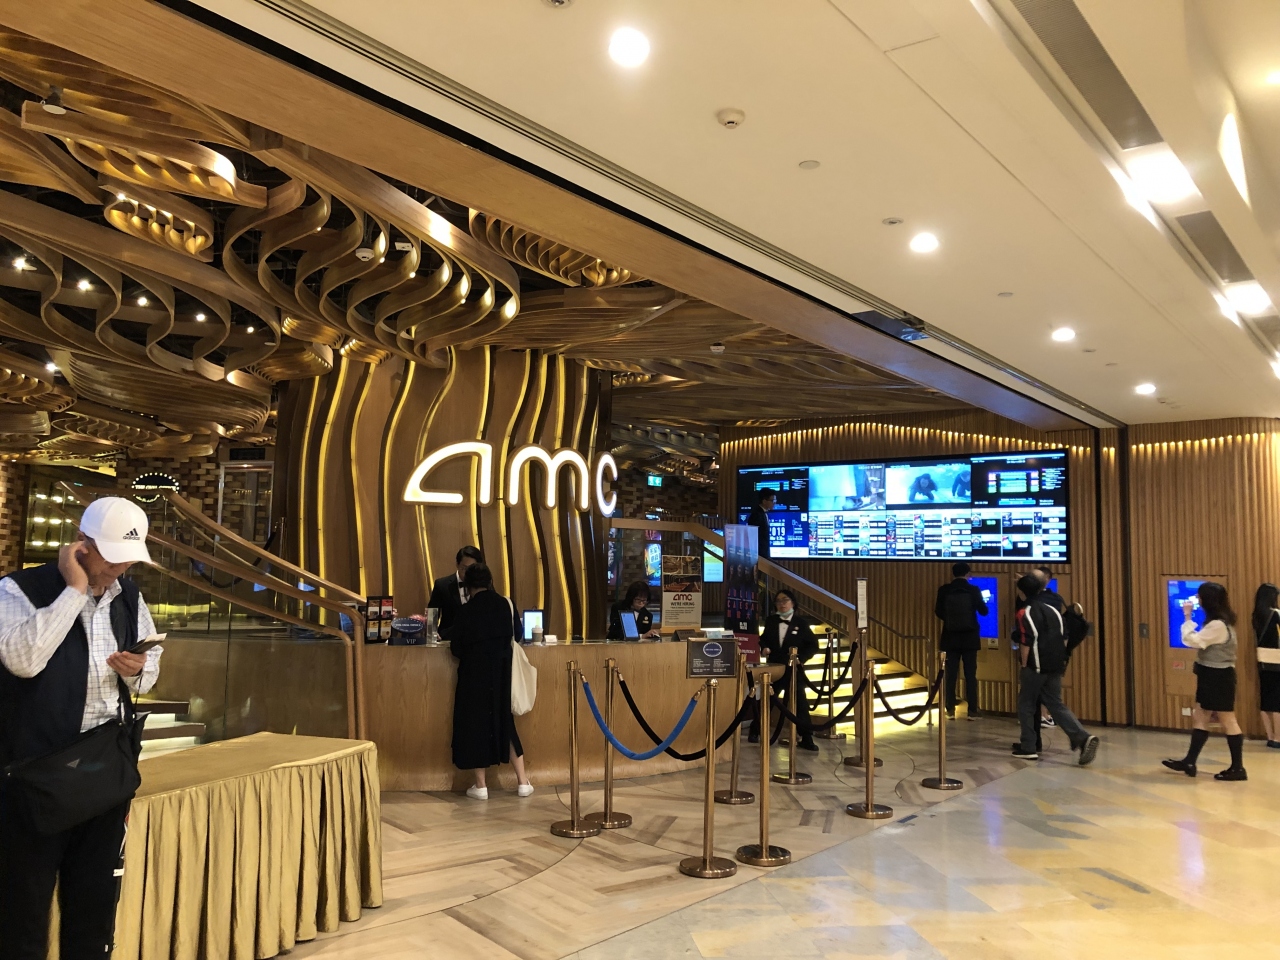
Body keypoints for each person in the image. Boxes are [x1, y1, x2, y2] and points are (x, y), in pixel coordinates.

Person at [0, 496, 162, 959]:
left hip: (102, 769)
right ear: (81, 543)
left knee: (94, 908)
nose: (119, 568)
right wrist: (73, 591)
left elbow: (151, 669)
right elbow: (23, 661)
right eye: (110, 556)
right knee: (22, 911)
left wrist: (138, 669)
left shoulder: (127, 595)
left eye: (128, 558)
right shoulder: (17, 590)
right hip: (35, 774)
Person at [443, 562, 533, 800]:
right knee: (505, 723)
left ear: (468, 586)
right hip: (502, 674)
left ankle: (481, 786)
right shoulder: (505, 605)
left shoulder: (466, 611)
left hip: (474, 677)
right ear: (490, 581)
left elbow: (457, 648)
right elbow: (518, 634)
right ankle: (522, 781)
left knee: (475, 726)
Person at [1012, 574, 1099, 765]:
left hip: (1035, 665)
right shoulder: (1053, 610)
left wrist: (1024, 665)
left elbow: (1026, 641)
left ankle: (1028, 747)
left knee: (1026, 705)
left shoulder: (1025, 611)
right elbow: (1065, 637)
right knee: (1056, 704)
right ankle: (1082, 737)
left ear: (1021, 592)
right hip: (1056, 664)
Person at [1163, 582, 1246, 780]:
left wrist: (1187, 617)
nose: (1198, 600)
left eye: (1200, 597)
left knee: (1228, 719)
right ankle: (1189, 761)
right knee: (1201, 715)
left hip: (1218, 677)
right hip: (1212, 676)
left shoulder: (1218, 625)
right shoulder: (1221, 622)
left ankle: (1238, 768)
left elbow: (1193, 641)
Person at [748, 589, 819, 750]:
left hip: (794, 670)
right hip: (775, 668)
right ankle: (755, 730)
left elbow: (813, 645)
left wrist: (801, 658)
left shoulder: (801, 623)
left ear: (793, 602)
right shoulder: (771, 621)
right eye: (778, 601)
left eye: (785, 600)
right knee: (767, 701)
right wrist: (764, 648)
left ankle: (806, 737)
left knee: (800, 704)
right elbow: (763, 638)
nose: (782, 604)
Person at [935, 562, 987, 721]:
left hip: (950, 637)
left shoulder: (944, 590)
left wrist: (951, 620)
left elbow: (938, 611)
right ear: (967, 574)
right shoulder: (973, 590)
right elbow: (984, 611)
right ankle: (972, 711)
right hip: (970, 638)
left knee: (950, 675)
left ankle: (950, 710)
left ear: (953, 573)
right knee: (971, 675)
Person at [428, 546, 484, 632]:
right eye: (464, 568)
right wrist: (431, 635)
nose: (468, 573)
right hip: (448, 636)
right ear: (457, 565)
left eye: (472, 569)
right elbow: (431, 616)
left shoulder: (483, 584)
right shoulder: (442, 585)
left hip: (477, 636)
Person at [1253, 583, 1280, 748]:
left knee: (1266, 699)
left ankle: (1270, 736)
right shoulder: (1276, 614)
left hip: (1263, 661)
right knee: (1277, 701)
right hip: (1277, 660)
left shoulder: (1256, 615)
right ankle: (1278, 737)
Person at [746, 490, 775, 562]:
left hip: (764, 556)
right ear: (764, 501)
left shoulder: (763, 513)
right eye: (772, 500)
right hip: (759, 557)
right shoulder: (757, 515)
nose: (774, 503)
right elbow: (755, 538)